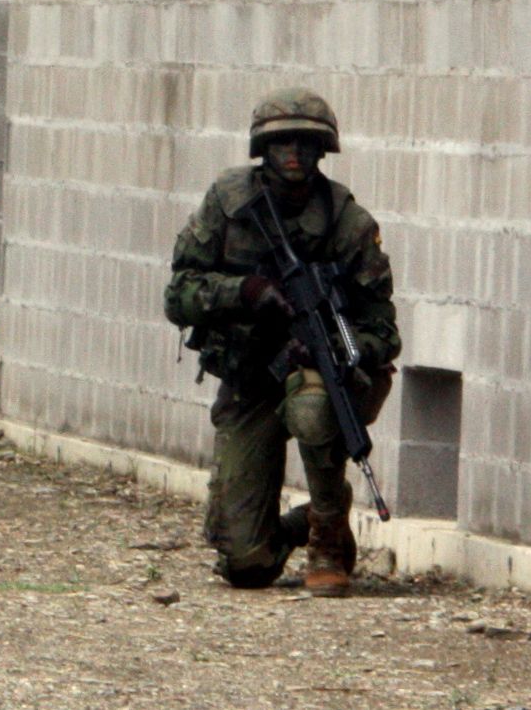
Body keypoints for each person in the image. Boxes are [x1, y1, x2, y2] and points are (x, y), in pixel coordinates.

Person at [163, 88, 400, 596]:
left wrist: (338, 350)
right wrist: (244, 292)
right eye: (282, 143)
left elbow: (383, 329)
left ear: (322, 151)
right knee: (246, 564)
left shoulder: (347, 223)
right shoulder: (229, 206)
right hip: (250, 376)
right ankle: (309, 516)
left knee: (316, 408)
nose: (294, 153)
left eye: (306, 143)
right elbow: (177, 294)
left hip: (315, 375)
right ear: (262, 150)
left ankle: (328, 540)